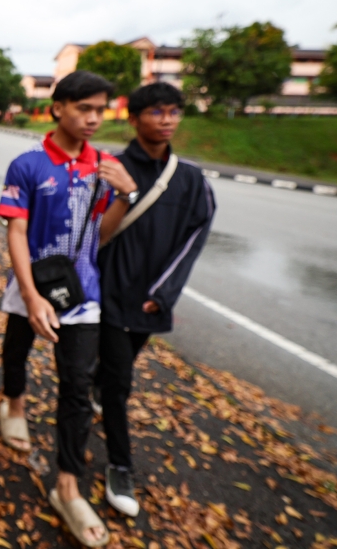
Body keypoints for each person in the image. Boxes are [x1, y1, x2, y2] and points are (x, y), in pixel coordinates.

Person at [0, 70, 139, 547]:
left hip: (83, 293)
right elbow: (16, 231)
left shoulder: (104, 164)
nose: (94, 118)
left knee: (77, 387)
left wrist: (125, 193)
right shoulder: (28, 164)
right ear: (58, 108)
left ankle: (67, 486)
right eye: (84, 108)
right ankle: (13, 403)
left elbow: (101, 234)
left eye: (101, 109)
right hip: (31, 282)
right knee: (16, 348)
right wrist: (31, 296)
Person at [95, 82, 215, 518]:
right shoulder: (110, 167)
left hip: (150, 300)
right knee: (119, 384)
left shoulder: (189, 179)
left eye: (174, 112)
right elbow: (93, 233)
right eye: (156, 112)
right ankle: (120, 467)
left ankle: (98, 383)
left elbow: (195, 238)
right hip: (107, 295)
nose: (166, 120)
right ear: (134, 118)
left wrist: (164, 293)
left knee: (118, 369)